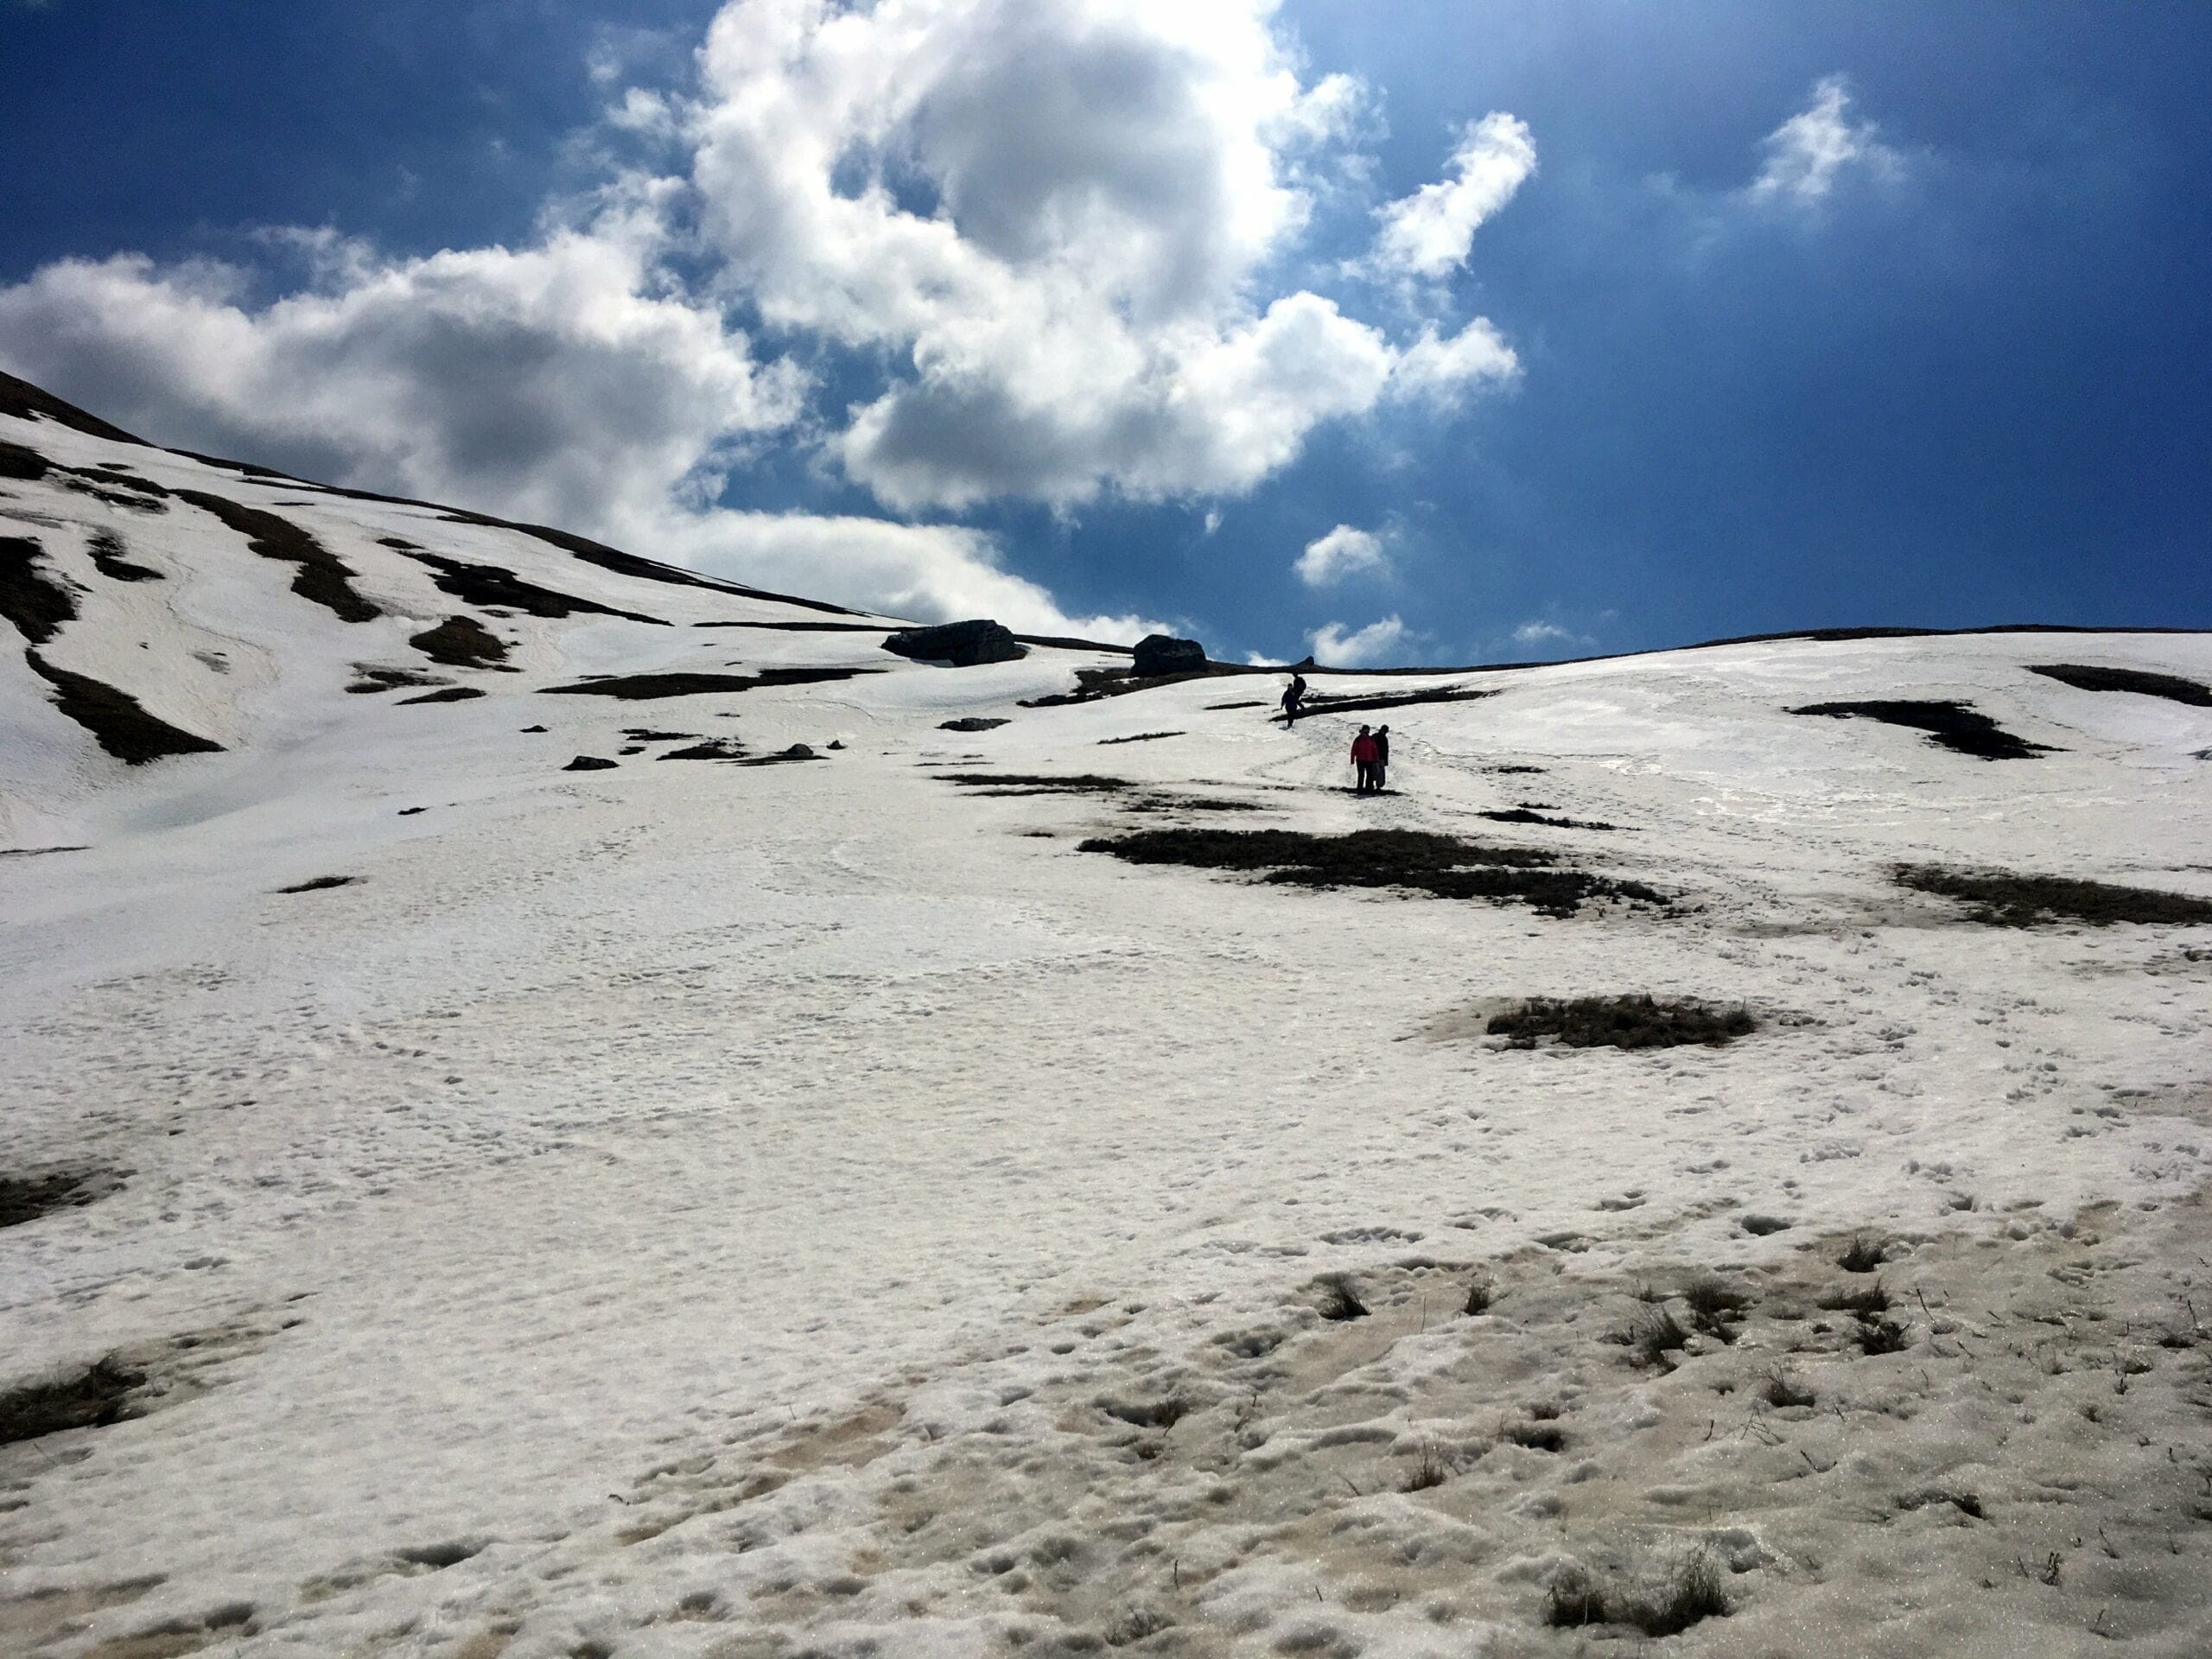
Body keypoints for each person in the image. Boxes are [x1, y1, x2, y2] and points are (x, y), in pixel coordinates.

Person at [1350, 725, 1379, 794]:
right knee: (1361, 775)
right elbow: (1354, 749)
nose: (1366, 732)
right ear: (1362, 730)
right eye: (1365, 730)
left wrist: (1376, 758)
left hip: (1369, 759)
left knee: (1370, 775)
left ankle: (1369, 788)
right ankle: (1360, 789)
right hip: (1360, 759)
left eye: (1367, 730)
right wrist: (1352, 759)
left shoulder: (1370, 739)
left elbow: (1374, 749)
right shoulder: (1358, 739)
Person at [1370, 724, 1390, 792]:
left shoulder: (1376, 737)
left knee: (1378, 772)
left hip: (1380, 758)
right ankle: (1373, 786)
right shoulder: (1376, 737)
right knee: (1375, 772)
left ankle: (1377, 786)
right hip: (1375, 758)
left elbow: (1386, 750)